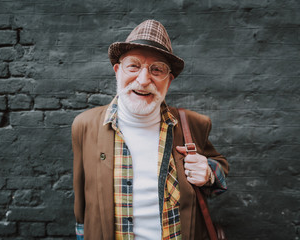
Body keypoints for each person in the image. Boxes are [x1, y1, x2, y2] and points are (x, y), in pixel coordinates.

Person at [72, 19, 229, 240]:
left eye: (157, 69)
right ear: (117, 71)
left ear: (169, 81)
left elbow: (219, 171)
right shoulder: (84, 125)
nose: (144, 80)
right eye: (134, 66)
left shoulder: (194, 124)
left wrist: (209, 173)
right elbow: (81, 207)